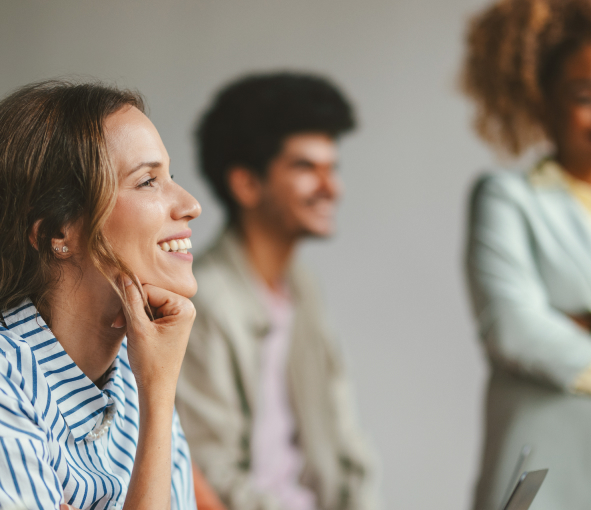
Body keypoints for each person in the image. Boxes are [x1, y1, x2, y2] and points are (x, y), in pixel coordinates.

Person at [175, 72, 378, 510]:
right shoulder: (202, 302)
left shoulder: (301, 289)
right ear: (246, 183)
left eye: (333, 168)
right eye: (306, 167)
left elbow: (346, 444)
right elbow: (205, 470)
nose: (331, 187)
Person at [0, 80, 201, 509]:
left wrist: (158, 396)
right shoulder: (6, 383)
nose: (190, 204)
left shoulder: (138, 382)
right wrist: (159, 395)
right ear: (59, 233)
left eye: (170, 177)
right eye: (148, 181)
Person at [462, 1, 591, 509]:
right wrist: (554, 324)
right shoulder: (507, 196)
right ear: (542, 101)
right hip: (547, 472)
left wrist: (574, 318)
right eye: (584, 95)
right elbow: (514, 327)